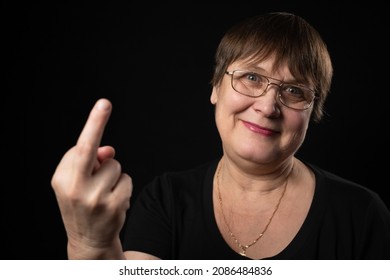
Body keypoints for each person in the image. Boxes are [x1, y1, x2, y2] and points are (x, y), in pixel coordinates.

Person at [51, 11, 390, 260]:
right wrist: (90, 245)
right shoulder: (167, 201)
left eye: (293, 91)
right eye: (252, 78)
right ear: (215, 87)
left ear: (312, 111)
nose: (268, 106)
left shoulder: (361, 215)